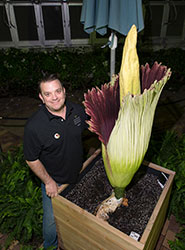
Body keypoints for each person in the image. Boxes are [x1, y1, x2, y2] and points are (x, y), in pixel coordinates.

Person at [23, 73, 88, 250]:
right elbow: (31, 158)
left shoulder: (78, 111)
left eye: (57, 91)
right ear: (41, 97)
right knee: (51, 224)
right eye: (48, 94)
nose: (54, 97)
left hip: (78, 173)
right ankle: (50, 247)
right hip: (55, 182)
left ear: (64, 91)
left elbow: (92, 128)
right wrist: (48, 181)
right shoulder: (35, 126)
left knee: (76, 214)